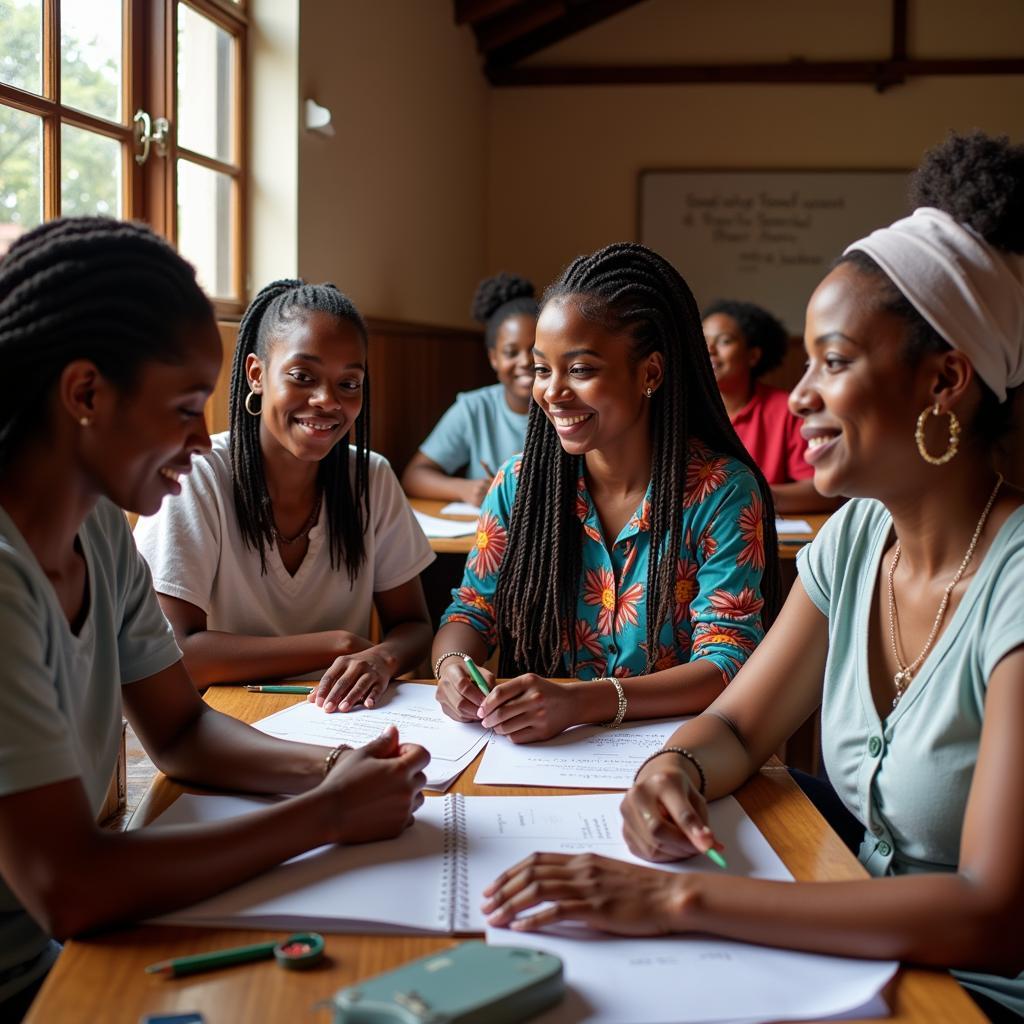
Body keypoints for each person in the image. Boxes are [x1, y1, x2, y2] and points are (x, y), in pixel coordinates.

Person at [481, 132, 1024, 1021]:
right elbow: (736, 721)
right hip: (868, 961)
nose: (800, 395)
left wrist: (673, 899)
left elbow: (992, 915)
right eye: (807, 361)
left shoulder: (1016, 581)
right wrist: (675, 768)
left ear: (945, 383)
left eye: (835, 362)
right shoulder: (855, 541)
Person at [0, 219, 428, 1022]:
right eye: (186, 408)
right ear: (86, 393)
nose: (203, 441)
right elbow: (70, 885)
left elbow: (181, 733)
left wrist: (332, 767)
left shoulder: (95, 529)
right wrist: (329, 813)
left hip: (55, 951)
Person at [432, 243, 782, 743]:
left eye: (580, 370)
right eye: (541, 368)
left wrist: (581, 701)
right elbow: (471, 612)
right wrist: (453, 668)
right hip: (538, 751)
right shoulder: (518, 485)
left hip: (674, 753)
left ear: (651, 373)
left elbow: (727, 660)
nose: (553, 391)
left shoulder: (720, 492)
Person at [135, 279, 434, 712]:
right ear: (256, 374)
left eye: (349, 384)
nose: (326, 400)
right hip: (217, 723)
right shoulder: (198, 475)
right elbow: (175, 654)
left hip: (342, 720)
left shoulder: (371, 477)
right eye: (303, 376)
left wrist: (381, 658)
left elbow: (413, 624)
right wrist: (338, 645)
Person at [402, 272, 537, 506]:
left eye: (536, 350)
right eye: (511, 352)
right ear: (493, 358)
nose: (525, 361)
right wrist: (465, 489)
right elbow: (414, 476)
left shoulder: (569, 409)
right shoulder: (474, 408)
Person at [703, 298, 836, 513]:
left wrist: (747, 495)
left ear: (753, 356)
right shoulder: (684, 411)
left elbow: (820, 493)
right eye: (702, 340)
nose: (709, 349)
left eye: (724, 341)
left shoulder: (788, 409)